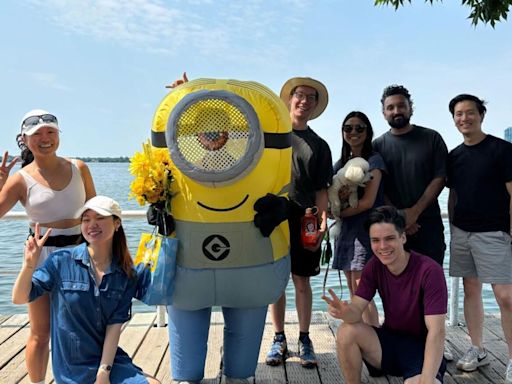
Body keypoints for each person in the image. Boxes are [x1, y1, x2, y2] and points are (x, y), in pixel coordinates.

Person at [12, 196, 160, 384]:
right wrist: (29, 266)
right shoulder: (60, 261)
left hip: (108, 362)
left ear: (117, 224)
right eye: (86, 219)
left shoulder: (125, 274)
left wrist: (104, 373)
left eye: (100, 218)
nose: (92, 224)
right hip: (71, 369)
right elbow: (19, 298)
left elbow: (114, 328)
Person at [0, 109, 96, 384]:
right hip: (41, 259)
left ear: (58, 135)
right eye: (37, 134)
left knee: (83, 328)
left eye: (51, 132)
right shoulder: (20, 179)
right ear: (24, 140)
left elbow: (96, 212)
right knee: (40, 333)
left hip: (81, 254)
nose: (45, 139)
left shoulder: (79, 167)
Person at [323, 205, 447, 383]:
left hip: (422, 348)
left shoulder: (429, 271)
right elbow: (356, 311)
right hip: (388, 342)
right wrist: (344, 312)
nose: (382, 247)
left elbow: (437, 331)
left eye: (389, 238)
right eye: (375, 240)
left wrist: (427, 380)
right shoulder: (374, 266)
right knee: (346, 331)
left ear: (403, 237)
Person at [266, 77, 333, 368]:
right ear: (290, 99)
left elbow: (322, 190)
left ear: (316, 105)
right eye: (299, 95)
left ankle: (304, 338)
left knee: (302, 281)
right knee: (276, 282)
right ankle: (278, 337)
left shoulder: (319, 145)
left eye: (310, 98)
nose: (304, 101)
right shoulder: (272, 136)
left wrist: (321, 224)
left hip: (305, 219)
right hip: (275, 217)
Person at [446, 94, 512, 382]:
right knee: (470, 289)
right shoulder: (454, 156)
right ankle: (477, 348)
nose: (464, 118)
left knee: (506, 296)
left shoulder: (502, 149)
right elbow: (453, 194)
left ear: (481, 115)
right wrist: (452, 228)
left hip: (495, 231)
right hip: (461, 231)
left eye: (469, 113)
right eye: (458, 114)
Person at [373, 85, 448, 266]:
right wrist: (400, 217)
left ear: (410, 108)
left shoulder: (432, 138)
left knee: (431, 285)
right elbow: (376, 187)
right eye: (390, 108)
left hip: (429, 227)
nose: (396, 111)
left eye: (401, 106)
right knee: (397, 288)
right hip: (392, 230)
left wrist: (415, 212)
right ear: (384, 113)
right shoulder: (376, 146)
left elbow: (440, 178)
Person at [331, 111, 386, 327]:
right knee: (353, 289)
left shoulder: (374, 161)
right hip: (345, 231)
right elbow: (330, 195)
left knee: (364, 292)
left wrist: (337, 213)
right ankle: (361, 337)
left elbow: (367, 202)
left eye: (359, 128)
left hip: (365, 231)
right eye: (348, 128)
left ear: (368, 131)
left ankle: (374, 337)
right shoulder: (341, 163)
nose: (353, 132)